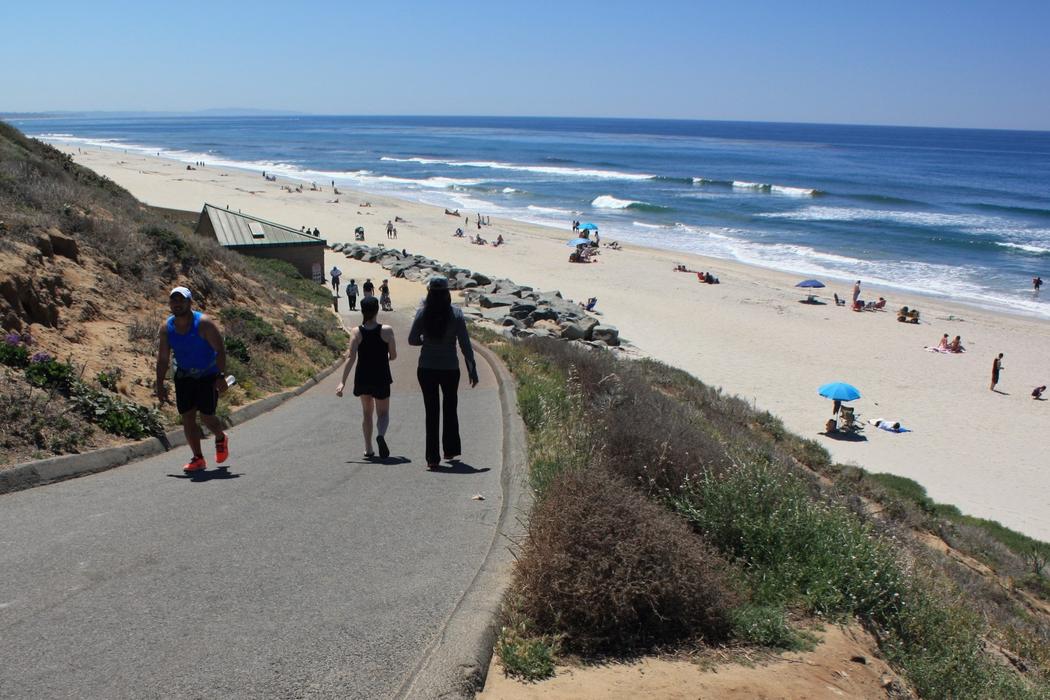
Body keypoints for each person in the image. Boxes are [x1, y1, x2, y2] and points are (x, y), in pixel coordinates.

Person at [155, 287, 230, 473]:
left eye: (181, 300)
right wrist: (159, 383)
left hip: (207, 375)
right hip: (184, 375)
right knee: (187, 416)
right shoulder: (167, 328)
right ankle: (198, 458)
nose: (177, 304)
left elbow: (220, 350)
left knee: (206, 416)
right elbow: (163, 358)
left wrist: (220, 376)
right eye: (174, 300)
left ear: (189, 302)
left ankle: (220, 437)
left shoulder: (203, 323)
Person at [408, 276, 479, 469]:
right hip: (449, 368)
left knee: (431, 412)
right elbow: (465, 345)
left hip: (426, 368)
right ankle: (450, 450)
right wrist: (472, 369)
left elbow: (412, 339)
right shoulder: (456, 314)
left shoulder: (423, 313)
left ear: (429, 293)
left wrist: (426, 341)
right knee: (450, 408)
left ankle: (432, 458)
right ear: (447, 293)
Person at [336, 297, 397, 459]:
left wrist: (342, 381)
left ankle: (368, 448)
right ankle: (381, 435)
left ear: (362, 311)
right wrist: (386, 356)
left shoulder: (356, 332)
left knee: (367, 413)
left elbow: (351, 357)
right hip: (381, 376)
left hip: (363, 377)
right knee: (383, 414)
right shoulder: (387, 330)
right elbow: (394, 355)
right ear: (377, 310)